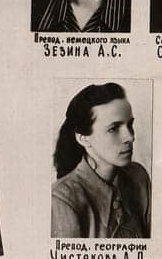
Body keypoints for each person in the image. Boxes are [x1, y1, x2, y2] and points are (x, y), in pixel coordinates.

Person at [50, 82, 151, 239]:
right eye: (113, 128)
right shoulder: (61, 200)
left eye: (130, 125)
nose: (130, 137)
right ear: (83, 139)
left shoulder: (139, 177)